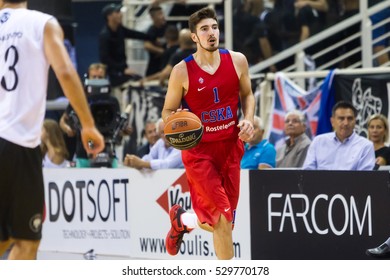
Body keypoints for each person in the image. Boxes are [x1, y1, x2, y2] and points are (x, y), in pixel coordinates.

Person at [0, 0, 104, 260]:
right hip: (16, 141)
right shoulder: (42, 23)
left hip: (12, 141)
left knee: (6, 238)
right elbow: (66, 72)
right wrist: (88, 124)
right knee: (25, 239)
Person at [161, 7, 255, 260]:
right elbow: (167, 111)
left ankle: (182, 220)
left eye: (214, 27)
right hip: (200, 152)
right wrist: (176, 122)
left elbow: (247, 94)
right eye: (204, 29)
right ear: (194, 37)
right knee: (223, 220)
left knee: (223, 223)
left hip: (231, 147)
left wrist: (248, 119)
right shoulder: (181, 71)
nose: (211, 33)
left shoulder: (237, 60)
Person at [302, 101, 375, 170]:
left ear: (355, 121)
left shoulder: (365, 146)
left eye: (350, 119)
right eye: (341, 118)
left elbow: (365, 178)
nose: (346, 123)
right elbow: (308, 171)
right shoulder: (318, 142)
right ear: (332, 121)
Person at [99, 3, 150, 87]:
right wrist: (122, 69)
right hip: (113, 73)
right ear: (109, 17)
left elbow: (135, 34)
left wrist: (152, 37)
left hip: (123, 70)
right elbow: (105, 59)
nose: (121, 15)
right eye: (117, 12)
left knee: (139, 79)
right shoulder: (105, 36)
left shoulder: (120, 30)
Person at [144, 5, 169, 76]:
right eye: (159, 14)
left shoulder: (168, 27)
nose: (162, 16)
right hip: (154, 65)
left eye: (162, 13)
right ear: (153, 17)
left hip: (167, 64)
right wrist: (162, 51)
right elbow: (147, 45)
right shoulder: (151, 31)